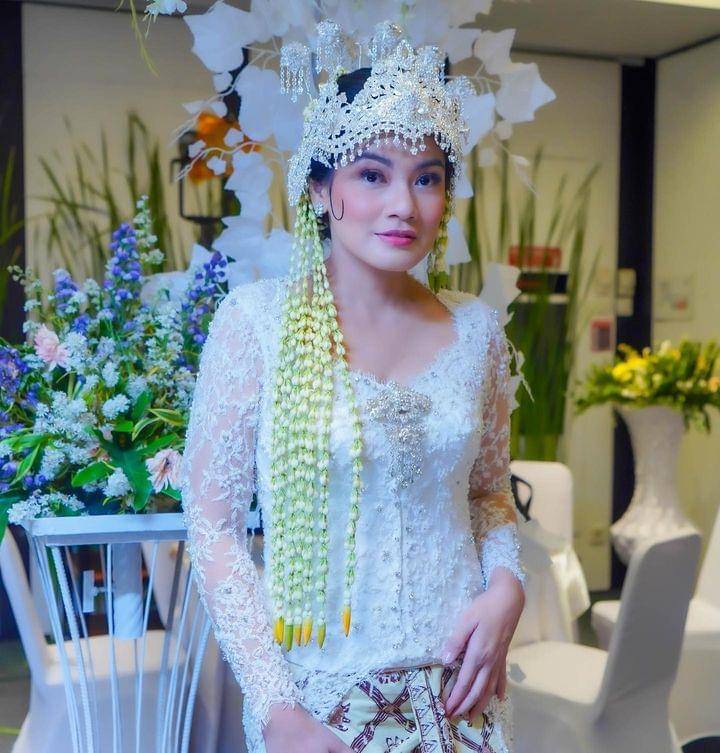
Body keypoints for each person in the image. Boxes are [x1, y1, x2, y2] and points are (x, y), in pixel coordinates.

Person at [179, 19, 527, 753]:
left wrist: (507, 585)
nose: (404, 204)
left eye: (426, 177)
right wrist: (277, 710)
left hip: (461, 699)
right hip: (317, 706)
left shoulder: (477, 332)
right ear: (318, 188)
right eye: (372, 174)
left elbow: (488, 494)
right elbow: (214, 529)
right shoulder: (257, 324)